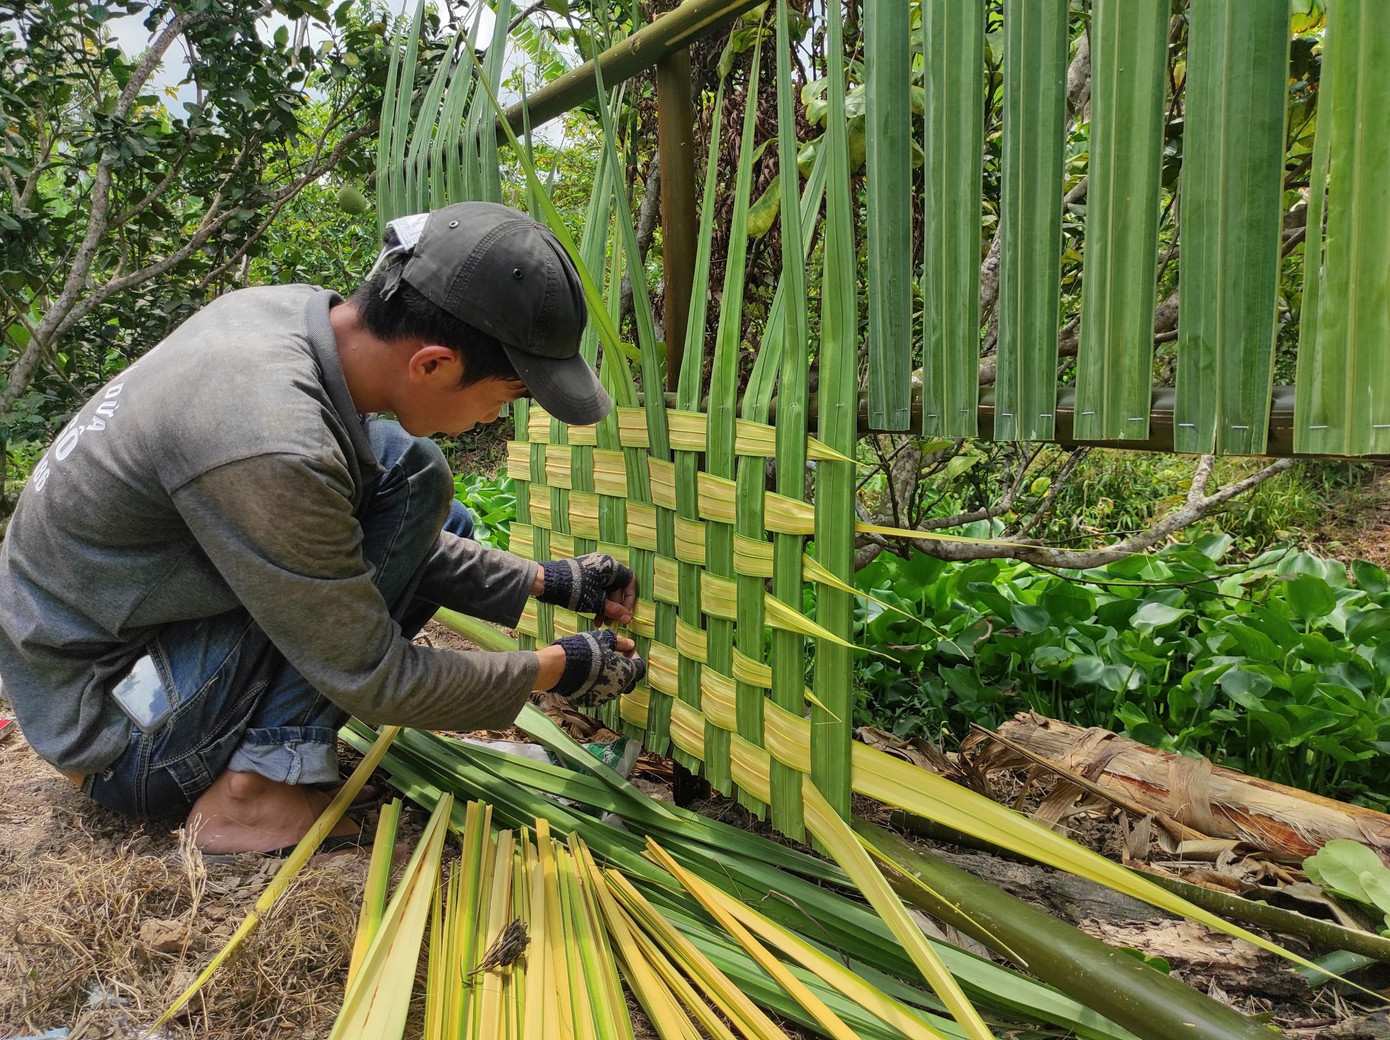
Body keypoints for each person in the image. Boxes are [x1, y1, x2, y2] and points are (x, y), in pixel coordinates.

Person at [0, 201, 647, 854]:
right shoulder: (270, 441)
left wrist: (550, 582)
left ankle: (262, 768)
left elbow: (346, 535)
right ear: (433, 364)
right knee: (407, 485)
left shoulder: (285, 320)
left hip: (129, 649)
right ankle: (254, 797)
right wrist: (553, 669)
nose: (495, 418)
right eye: (507, 398)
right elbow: (374, 674)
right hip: (123, 725)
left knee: (411, 476)